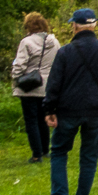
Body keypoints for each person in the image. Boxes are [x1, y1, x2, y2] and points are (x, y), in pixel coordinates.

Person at [41, 7, 98, 195]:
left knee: (59, 151)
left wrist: (49, 108)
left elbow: (54, 84)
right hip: (96, 110)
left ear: (75, 26)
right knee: (89, 156)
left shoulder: (65, 52)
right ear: (95, 25)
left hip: (68, 109)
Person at [10, 13, 60, 164]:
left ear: (28, 26)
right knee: (43, 118)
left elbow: (20, 65)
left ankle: (36, 155)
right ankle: (45, 150)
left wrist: (15, 77)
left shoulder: (26, 42)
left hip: (30, 86)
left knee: (31, 120)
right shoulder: (54, 42)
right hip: (47, 85)